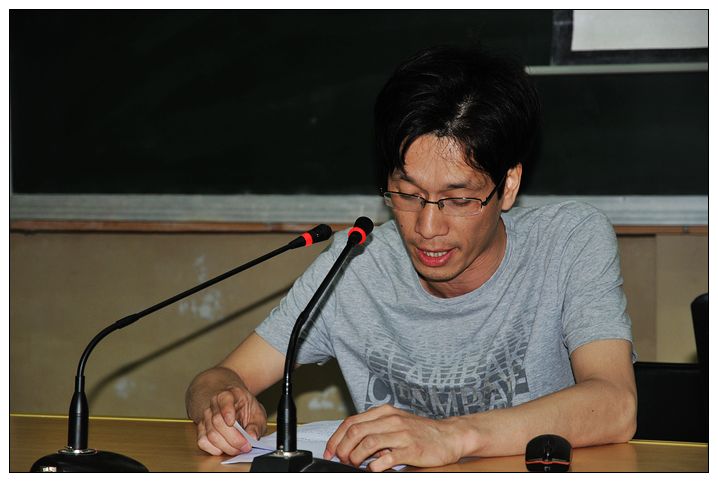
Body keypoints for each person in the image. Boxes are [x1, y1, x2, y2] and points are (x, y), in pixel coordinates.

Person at [185, 45, 637, 472]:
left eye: (458, 200)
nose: (427, 227)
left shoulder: (567, 242)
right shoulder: (356, 263)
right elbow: (219, 377)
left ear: (509, 186)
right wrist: (220, 404)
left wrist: (451, 436)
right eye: (408, 194)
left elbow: (616, 405)